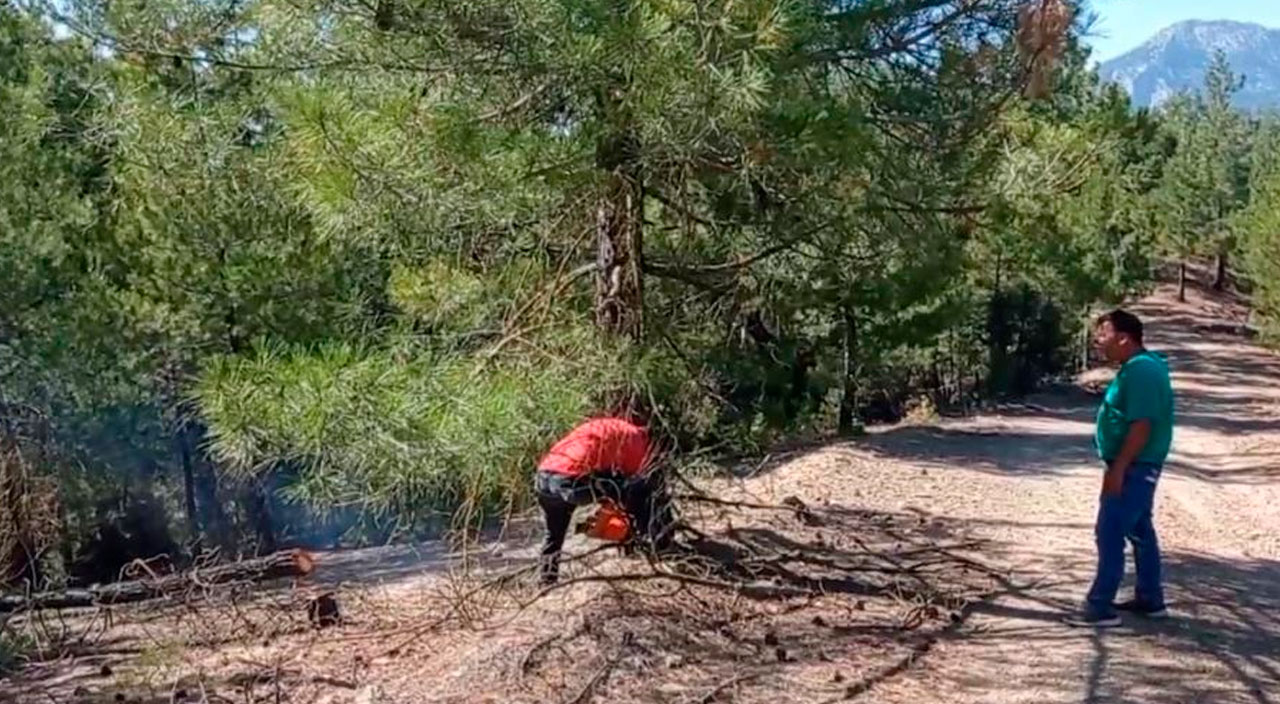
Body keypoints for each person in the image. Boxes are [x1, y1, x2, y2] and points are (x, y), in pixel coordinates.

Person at [1065, 309, 1174, 628]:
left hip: (1135, 465)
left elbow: (1141, 425)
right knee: (1140, 530)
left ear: (1124, 338)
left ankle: (1100, 606)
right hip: (1135, 464)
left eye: (1104, 334)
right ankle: (1150, 599)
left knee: (1110, 530)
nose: (1098, 341)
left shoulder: (1141, 371)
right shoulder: (1138, 367)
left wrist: (1119, 469)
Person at [533, 413, 675, 585]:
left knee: (554, 534)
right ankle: (654, 545)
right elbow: (637, 483)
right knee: (638, 490)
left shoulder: (610, 428)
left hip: (544, 477)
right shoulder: (638, 439)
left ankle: (547, 581)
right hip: (572, 480)